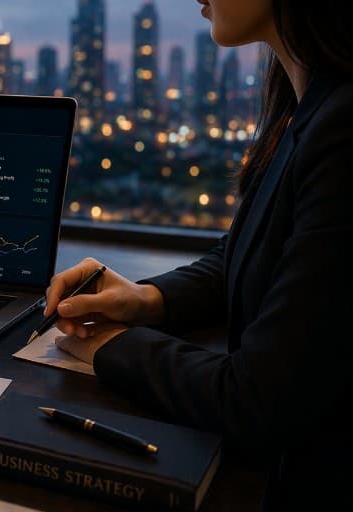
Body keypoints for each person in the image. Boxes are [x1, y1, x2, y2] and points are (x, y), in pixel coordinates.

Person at [45, 0, 353, 508]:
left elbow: (260, 401)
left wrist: (112, 347)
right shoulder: (308, 107)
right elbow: (259, 253)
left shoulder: (351, 131)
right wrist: (148, 299)